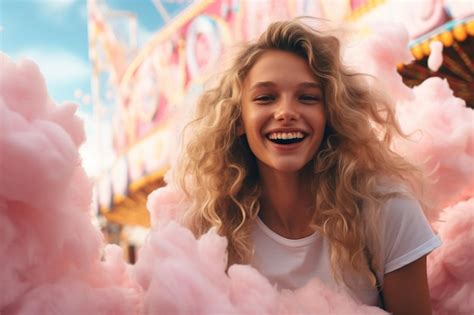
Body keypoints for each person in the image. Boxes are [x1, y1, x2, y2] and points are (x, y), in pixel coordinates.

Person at [173, 19, 441, 314]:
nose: (286, 112)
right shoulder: (208, 226)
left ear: (331, 113)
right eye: (265, 98)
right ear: (238, 120)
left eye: (308, 97)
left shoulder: (387, 210)